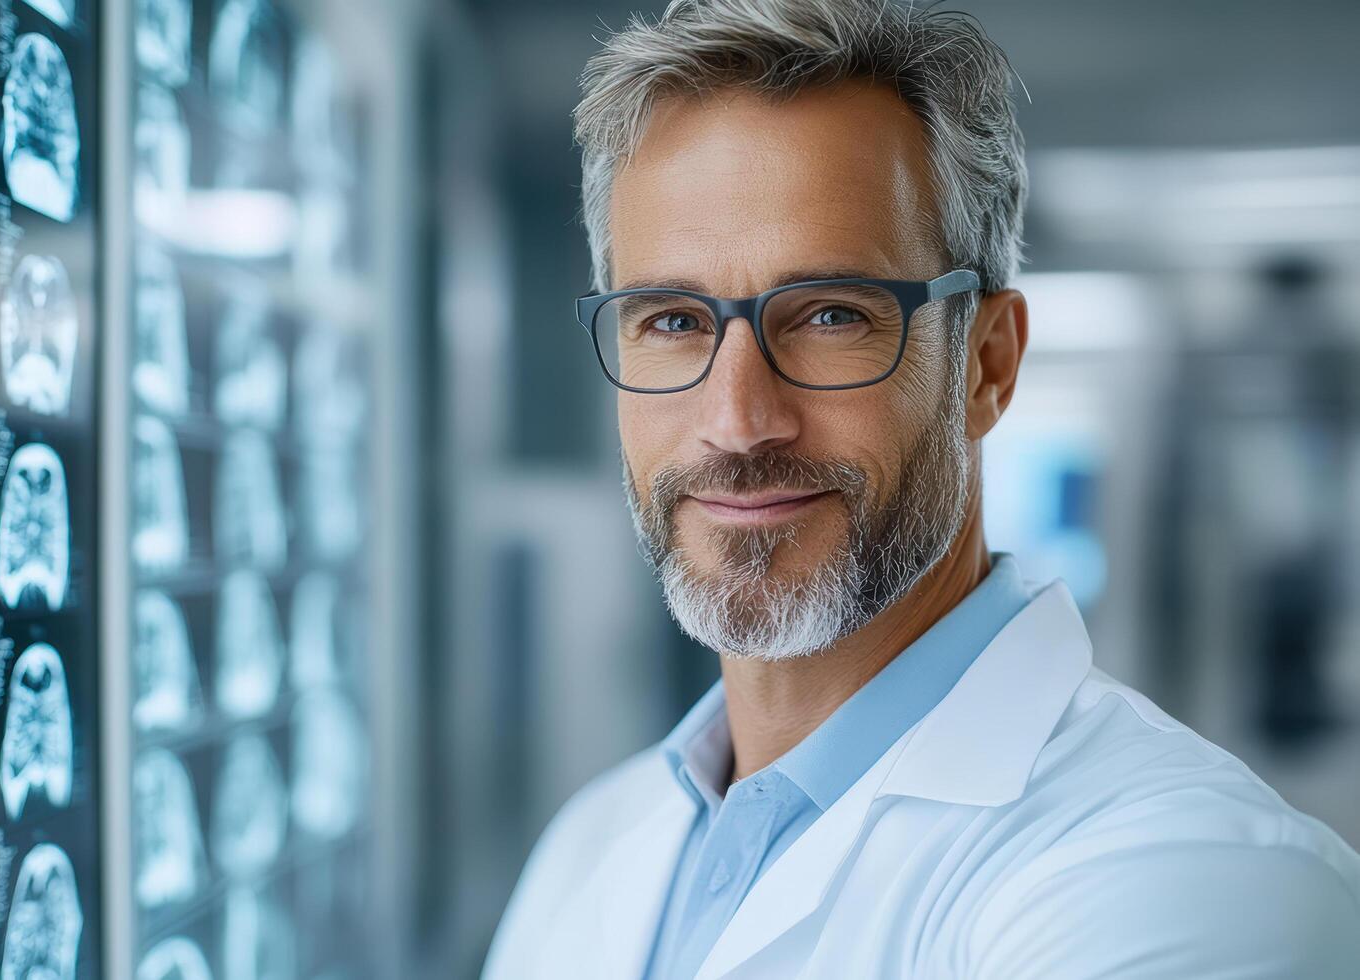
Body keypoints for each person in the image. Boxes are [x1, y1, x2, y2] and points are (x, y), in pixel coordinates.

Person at [480, 1, 1360, 977]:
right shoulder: (594, 846)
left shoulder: (1187, 881)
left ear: (986, 362)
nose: (737, 418)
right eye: (674, 321)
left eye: (828, 314)